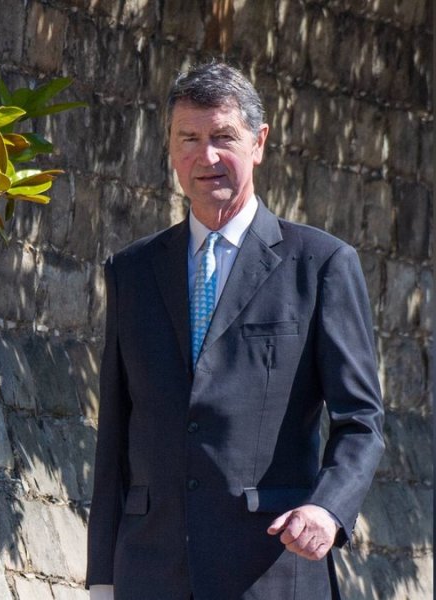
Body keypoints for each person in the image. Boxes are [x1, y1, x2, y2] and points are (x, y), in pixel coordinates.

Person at [85, 62, 385, 599]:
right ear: (172, 152)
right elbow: (116, 435)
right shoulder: (131, 272)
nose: (208, 157)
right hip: (151, 572)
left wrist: (327, 507)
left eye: (224, 137)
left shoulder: (320, 265)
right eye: (190, 139)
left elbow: (361, 421)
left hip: (271, 570)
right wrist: (102, 578)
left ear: (259, 143)